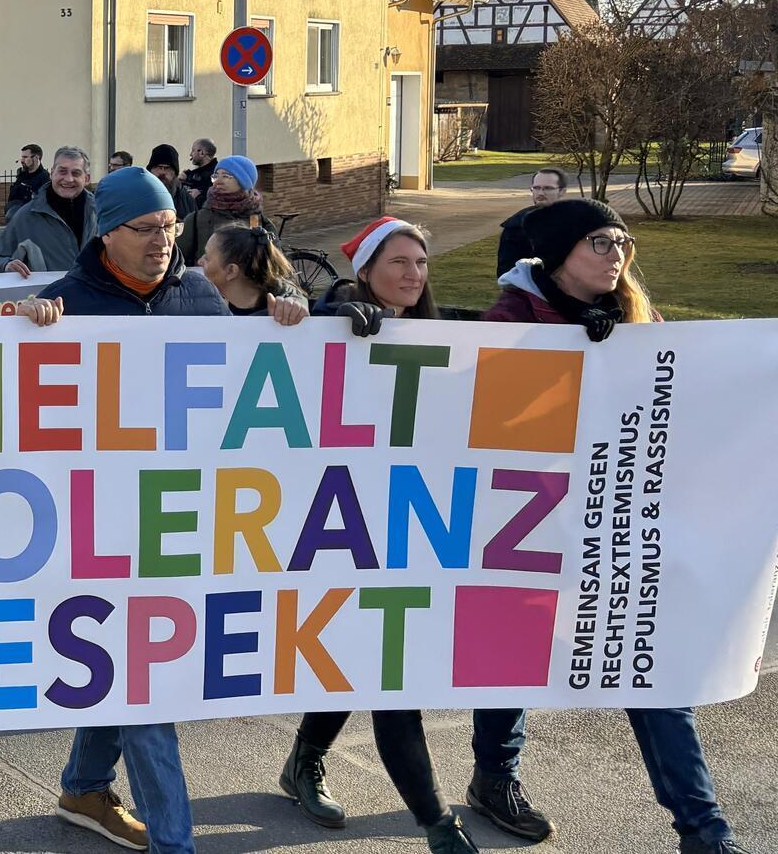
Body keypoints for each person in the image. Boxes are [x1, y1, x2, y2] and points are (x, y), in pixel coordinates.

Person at [480, 198, 741, 854]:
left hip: (619, 526)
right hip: (532, 524)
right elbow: (488, 419)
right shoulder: (512, 318)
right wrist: (570, 362)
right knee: (514, 659)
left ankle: (705, 832)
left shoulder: (638, 317)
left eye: (623, 241)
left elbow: (674, 404)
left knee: (650, 671)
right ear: (561, 255)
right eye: (600, 241)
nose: (617, 253)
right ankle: (495, 777)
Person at [11, 166, 222, 854]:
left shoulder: (199, 294)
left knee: (124, 665)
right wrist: (23, 331)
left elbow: (245, 386)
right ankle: (174, 843)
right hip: (93, 525)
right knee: (142, 680)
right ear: (107, 232)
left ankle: (84, 786)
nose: (164, 240)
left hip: (174, 520)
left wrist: (287, 318)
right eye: (147, 228)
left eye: (171, 226)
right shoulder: (65, 302)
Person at [276, 215, 479, 853]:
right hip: (338, 526)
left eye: (421, 263)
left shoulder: (441, 332)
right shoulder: (338, 321)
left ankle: (303, 761)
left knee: (364, 659)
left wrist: (590, 337)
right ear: (364, 271)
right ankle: (438, 826)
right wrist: (334, 315)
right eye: (399, 262)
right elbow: (289, 337)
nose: (414, 274)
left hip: (411, 528)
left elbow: (514, 339)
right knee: (386, 674)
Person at [0, 146, 95, 275]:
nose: (68, 179)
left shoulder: (102, 212)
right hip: (49, 288)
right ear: (52, 173)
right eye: (62, 171)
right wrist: (6, 265)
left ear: (87, 179)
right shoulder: (27, 216)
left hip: (96, 288)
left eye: (76, 173)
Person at [198, 224, 307, 320]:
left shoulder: (282, 314)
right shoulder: (208, 302)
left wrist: (295, 306)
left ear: (231, 271)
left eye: (207, 258)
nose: (199, 261)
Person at [177, 154, 265, 263]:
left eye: (225, 176)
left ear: (244, 182)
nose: (218, 181)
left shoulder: (256, 219)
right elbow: (176, 260)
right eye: (216, 176)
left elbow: (269, 261)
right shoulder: (196, 220)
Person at [494, 166, 568, 275]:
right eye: (536, 188)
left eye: (548, 188)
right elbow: (506, 272)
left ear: (562, 191)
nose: (541, 193)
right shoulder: (516, 226)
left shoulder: (578, 222)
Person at [146, 144, 195, 216]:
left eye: (167, 168)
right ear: (150, 170)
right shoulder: (139, 197)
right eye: (158, 167)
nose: (162, 172)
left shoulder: (187, 201)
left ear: (175, 173)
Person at [7, 143, 49, 209]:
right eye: (22, 157)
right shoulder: (21, 175)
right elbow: (12, 199)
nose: (22, 160)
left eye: (25, 157)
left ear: (36, 158)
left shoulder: (44, 177)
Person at [179, 137, 218, 206]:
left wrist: (201, 192)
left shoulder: (217, 172)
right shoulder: (192, 174)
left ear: (201, 153)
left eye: (193, 150)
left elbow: (219, 192)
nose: (190, 154)